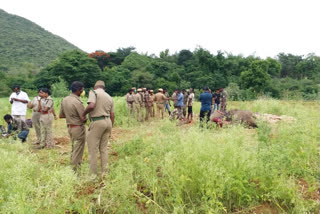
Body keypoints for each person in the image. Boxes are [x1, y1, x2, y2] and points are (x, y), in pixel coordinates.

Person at [82, 80, 114, 177]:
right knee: (103, 149)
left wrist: (83, 114)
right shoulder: (109, 96)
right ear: (103, 88)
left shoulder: (93, 92)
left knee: (93, 149)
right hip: (108, 121)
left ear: (95, 87)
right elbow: (112, 114)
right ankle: (105, 172)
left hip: (97, 121)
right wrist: (110, 127)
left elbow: (91, 105)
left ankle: (93, 175)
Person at [59, 81, 86, 171]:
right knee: (78, 149)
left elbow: (61, 115)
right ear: (78, 90)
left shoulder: (65, 99)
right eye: (82, 90)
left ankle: (73, 164)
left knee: (74, 147)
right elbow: (83, 118)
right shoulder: (77, 102)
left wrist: (70, 115)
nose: (82, 91)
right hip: (78, 128)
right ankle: (75, 169)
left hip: (70, 127)